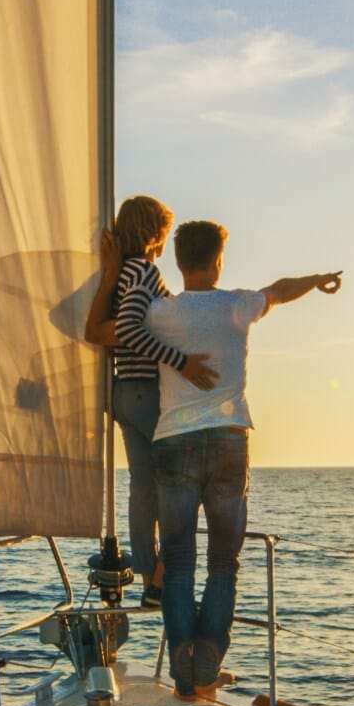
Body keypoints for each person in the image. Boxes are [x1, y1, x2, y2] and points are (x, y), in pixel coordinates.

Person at [148, 220, 341, 701]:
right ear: (217, 261)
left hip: (174, 441)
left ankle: (183, 670)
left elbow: (118, 325)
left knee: (176, 565)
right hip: (230, 442)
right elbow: (278, 290)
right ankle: (208, 659)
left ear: (178, 263)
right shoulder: (237, 305)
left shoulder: (159, 313)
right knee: (223, 562)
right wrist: (316, 280)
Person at [83, 196, 218, 604]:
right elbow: (127, 328)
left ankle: (148, 583)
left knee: (143, 490)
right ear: (156, 234)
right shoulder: (143, 271)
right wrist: (182, 362)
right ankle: (161, 577)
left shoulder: (119, 271)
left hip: (123, 393)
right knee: (183, 486)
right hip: (148, 396)